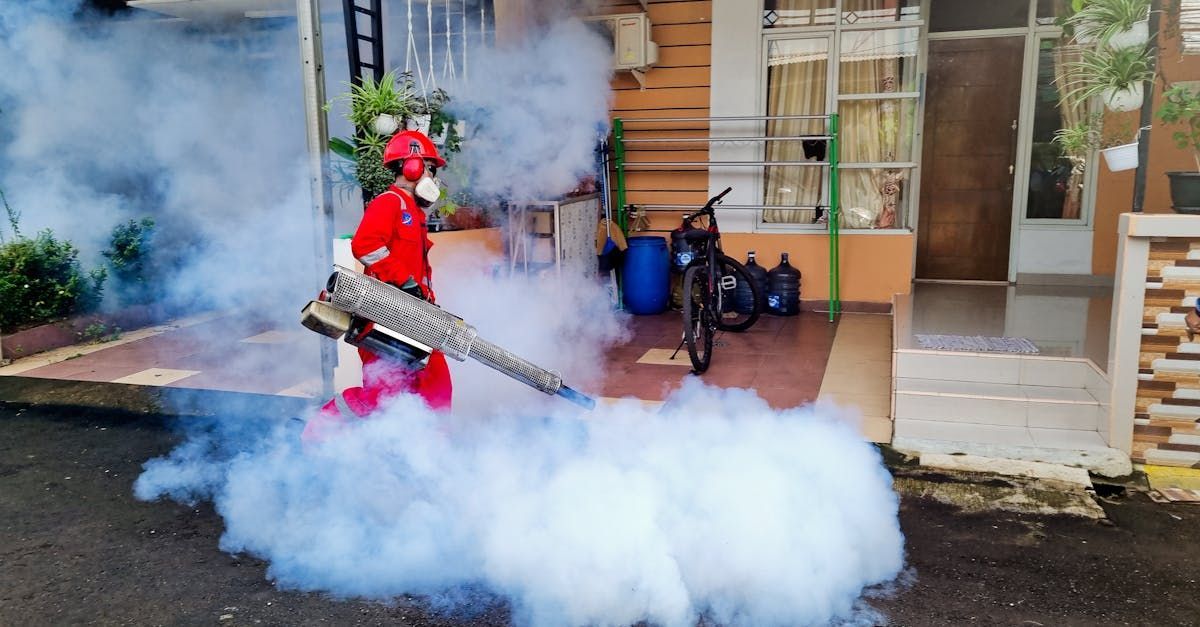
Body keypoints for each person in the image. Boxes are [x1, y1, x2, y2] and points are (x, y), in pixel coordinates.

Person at [303, 130, 452, 443]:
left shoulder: (412, 211)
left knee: (433, 384)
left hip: (413, 316)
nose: (433, 177)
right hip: (385, 317)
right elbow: (365, 245)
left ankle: (429, 454)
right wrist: (404, 282)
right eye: (430, 168)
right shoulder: (389, 203)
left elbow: (417, 270)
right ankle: (320, 431)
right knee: (382, 395)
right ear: (412, 167)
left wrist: (425, 299)